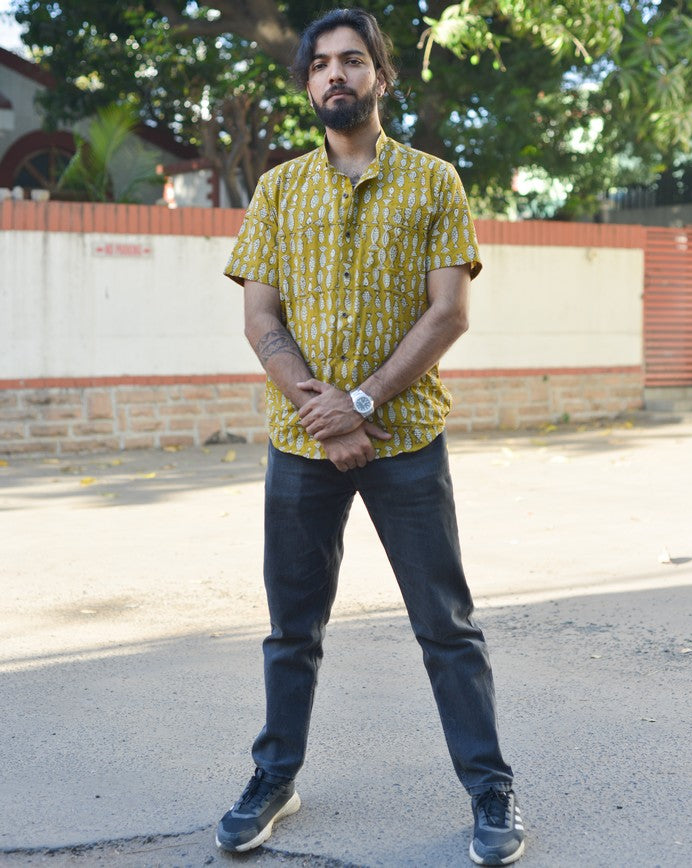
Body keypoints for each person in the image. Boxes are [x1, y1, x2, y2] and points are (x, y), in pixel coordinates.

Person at [217, 8, 525, 866]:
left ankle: (490, 790)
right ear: (309, 82)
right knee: (292, 629)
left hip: (406, 441)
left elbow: (449, 311)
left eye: (353, 61)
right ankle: (274, 776)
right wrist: (323, 411)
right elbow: (260, 317)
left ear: (382, 77)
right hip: (300, 442)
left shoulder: (434, 181)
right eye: (321, 65)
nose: (335, 76)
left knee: (447, 626)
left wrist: (361, 401)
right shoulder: (278, 189)